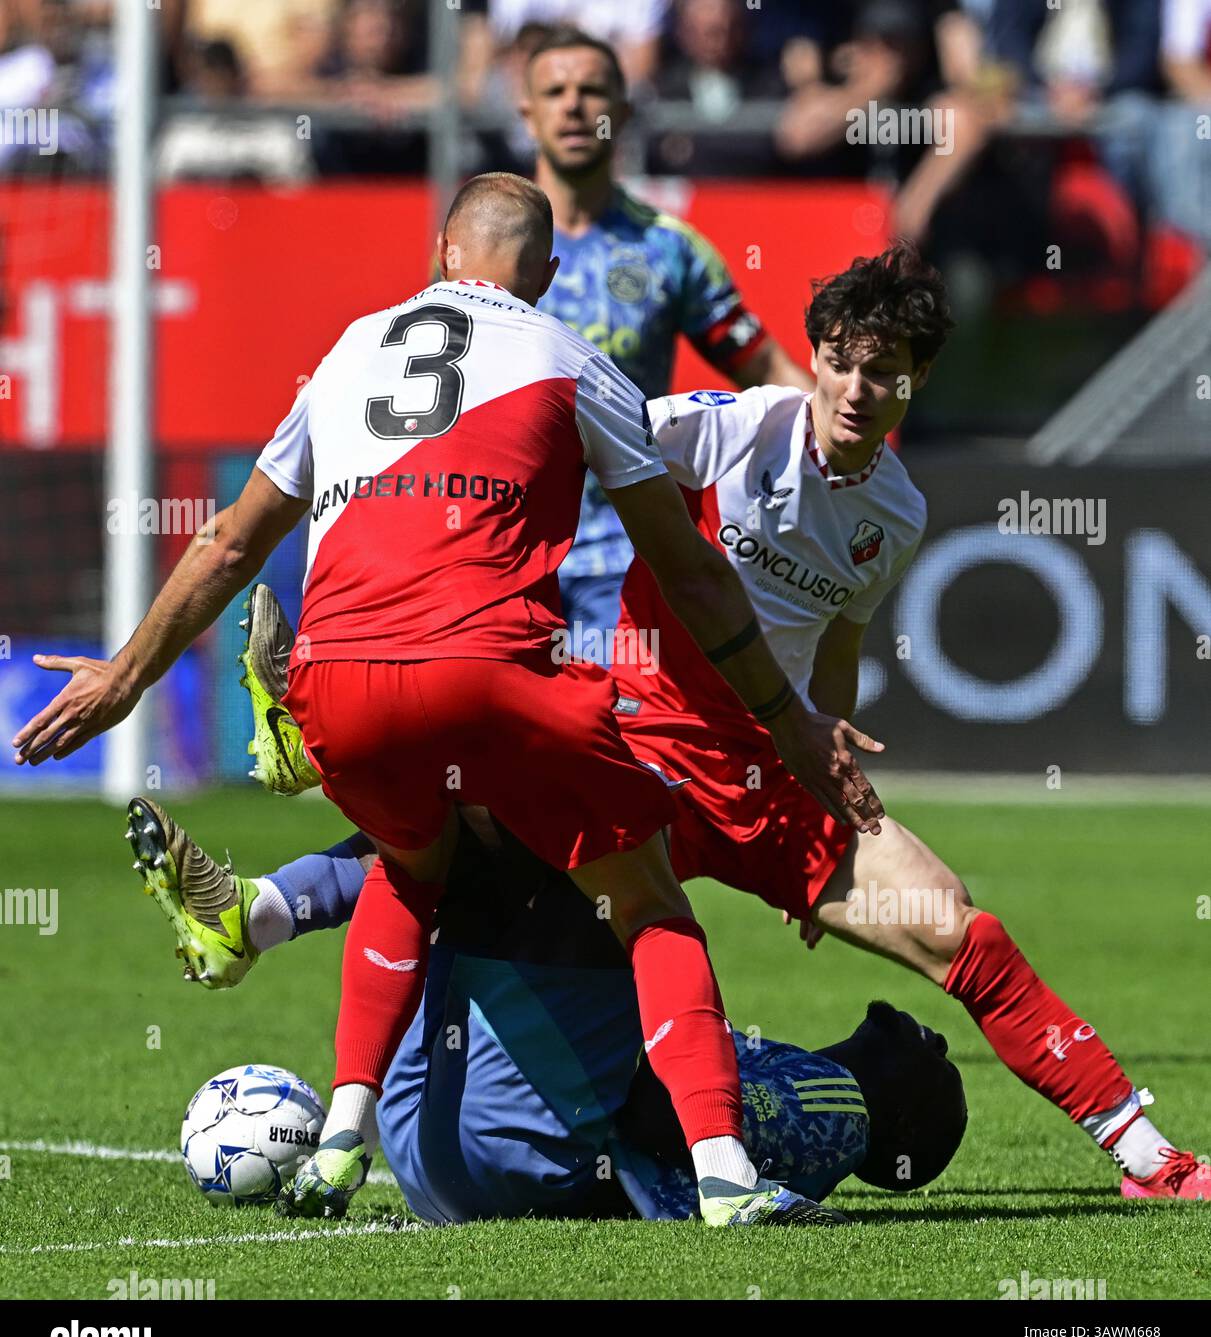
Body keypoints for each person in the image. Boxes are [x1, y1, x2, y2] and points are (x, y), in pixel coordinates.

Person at [181, 241, 1208, 1203]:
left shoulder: (894, 513)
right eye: (841, 363)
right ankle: (267, 890)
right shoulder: (725, 428)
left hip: (769, 775)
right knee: (466, 832)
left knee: (959, 930)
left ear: (917, 380)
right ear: (814, 357)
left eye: (884, 372)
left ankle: (1147, 1158)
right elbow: (573, 444)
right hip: (640, 747)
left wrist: (824, 777)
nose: (857, 389)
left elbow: (836, 652)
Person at [13, 173, 887, 1229]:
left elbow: (231, 543)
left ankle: (337, 1134)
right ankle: (724, 1178)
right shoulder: (571, 357)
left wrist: (124, 675)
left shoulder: (346, 352)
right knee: (650, 905)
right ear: (548, 276)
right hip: (491, 671)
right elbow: (693, 573)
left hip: (338, 674)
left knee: (408, 863)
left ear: (440, 251)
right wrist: (787, 721)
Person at [124, 796, 967, 1223]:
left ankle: (268, 901)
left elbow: (654, 1119)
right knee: (541, 842)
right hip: (496, 1155)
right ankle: (269, 897)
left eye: (925, 1051)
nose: (919, 1034)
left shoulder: (834, 1112)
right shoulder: (815, 1095)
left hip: (456, 1148)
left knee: (491, 834)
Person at [519, 25, 813, 650]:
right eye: (555, 92)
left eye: (592, 91)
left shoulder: (670, 249)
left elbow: (767, 370)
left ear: (623, 113)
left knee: (617, 718)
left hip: (626, 563)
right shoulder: (484, 242)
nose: (573, 106)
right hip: (505, 557)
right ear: (527, 114)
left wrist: (840, 441)